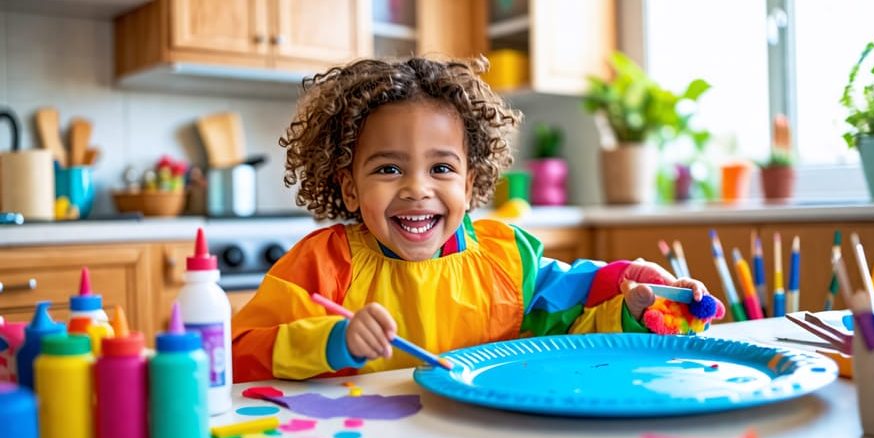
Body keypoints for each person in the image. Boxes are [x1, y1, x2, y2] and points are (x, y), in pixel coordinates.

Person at [231, 56, 719, 382]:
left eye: (441, 168)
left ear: (468, 185)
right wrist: (334, 341)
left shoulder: (507, 258)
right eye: (388, 168)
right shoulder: (322, 263)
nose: (417, 188)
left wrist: (632, 303)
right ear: (349, 188)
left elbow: (575, 328)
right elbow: (237, 352)